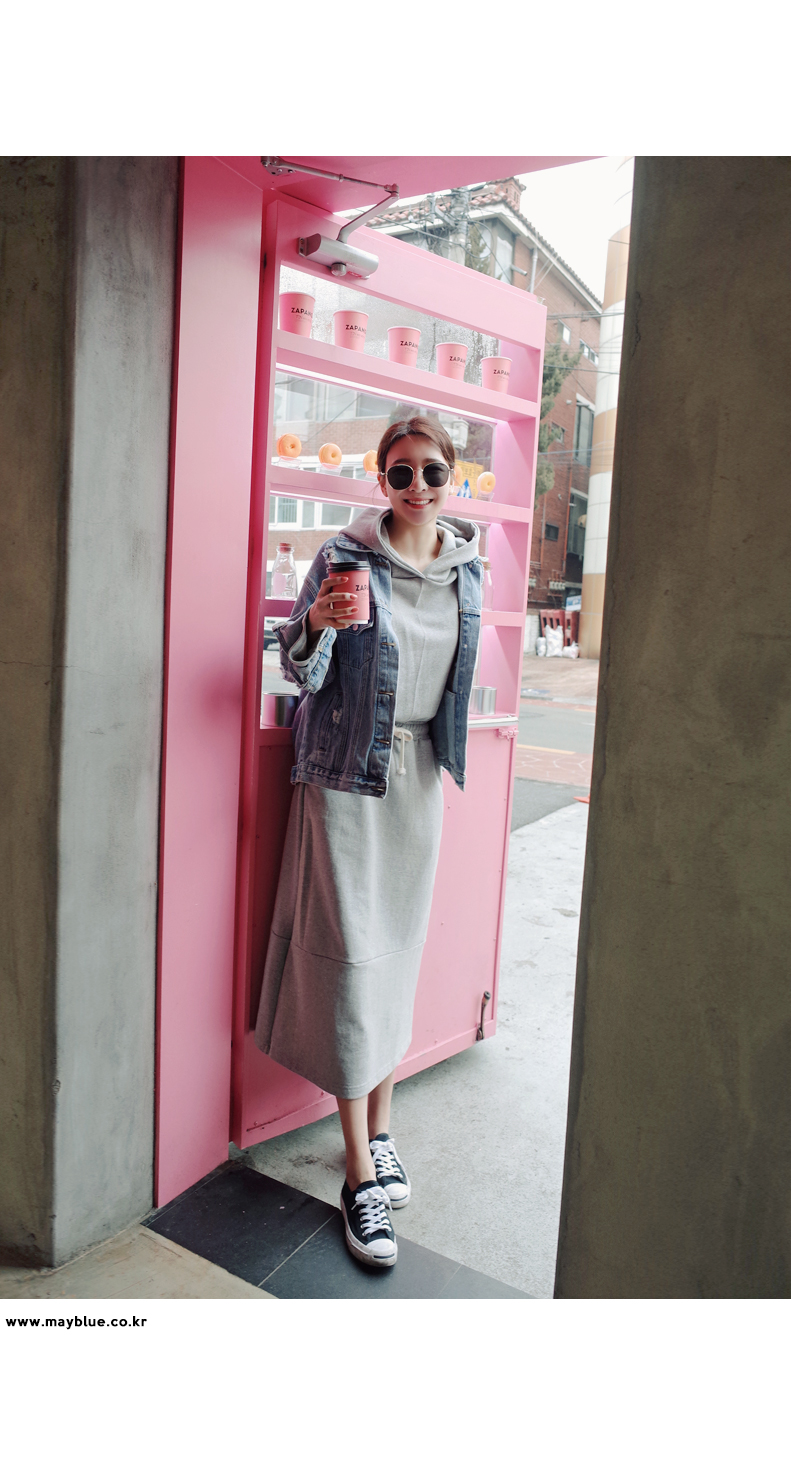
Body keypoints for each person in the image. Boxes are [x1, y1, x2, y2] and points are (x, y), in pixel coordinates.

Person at [255, 416, 482, 1267]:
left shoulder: (466, 569)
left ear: (450, 477)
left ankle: (380, 1135)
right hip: (346, 780)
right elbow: (297, 670)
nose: (417, 485)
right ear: (380, 481)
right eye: (400, 472)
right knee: (353, 963)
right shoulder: (343, 558)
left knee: (393, 959)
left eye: (431, 471)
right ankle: (358, 1175)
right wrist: (315, 621)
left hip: (417, 783)